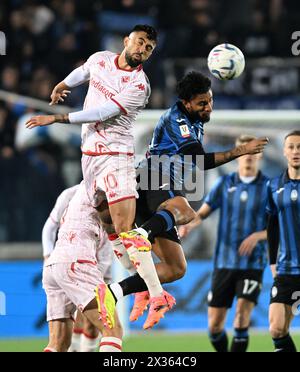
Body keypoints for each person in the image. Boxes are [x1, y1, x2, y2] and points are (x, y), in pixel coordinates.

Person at [26, 25, 174, 330]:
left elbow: (103, 112)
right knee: (109, 226)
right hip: (90, 158)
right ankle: (145, 286)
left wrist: (57, 118)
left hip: (116, 159)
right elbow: (83, 72)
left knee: (125, 228)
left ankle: (158, 294)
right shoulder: (101, 59)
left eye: (149, 48)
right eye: (140, 42)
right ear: (126, 41)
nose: (143, 49)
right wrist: (61, 84)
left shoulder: (139, 85)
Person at [101, 72, 269, 324]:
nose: (208, 107)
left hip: (159, 186)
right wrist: (241, 150)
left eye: (210, 100)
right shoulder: (177, 120)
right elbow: (200, 161)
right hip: (152, 175)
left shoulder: (193, 119)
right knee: (186, 211)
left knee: (176, 268)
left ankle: (113, 291)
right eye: (202, 103)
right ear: (187, 102)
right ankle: (142, 235)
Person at [180, 135, 269, 352]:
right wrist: (189, 225)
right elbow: (203, 212)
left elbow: (279, 225)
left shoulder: (269, 187)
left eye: (253, 152)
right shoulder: (224, 183)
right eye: (244, 151)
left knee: (241, 319)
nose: (248, 156)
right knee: (215, 326)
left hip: (253, 263)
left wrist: (258, 236)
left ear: (260, 155)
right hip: (224, 262)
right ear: (237, 155)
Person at [43, 181, 122, 352]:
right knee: (112, 329)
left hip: (59, 263)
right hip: (79, 263)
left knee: (59, 343)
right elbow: (49, 227)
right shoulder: (107, 194)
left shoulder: (79, 194)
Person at [267, 130, 300, 353]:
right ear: (284, 151)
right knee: (277, 328)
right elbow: (272, 226)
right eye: (291, 147)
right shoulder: (274, 186)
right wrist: (272, 262)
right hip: (286, 268)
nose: (296, 151)